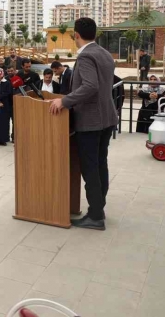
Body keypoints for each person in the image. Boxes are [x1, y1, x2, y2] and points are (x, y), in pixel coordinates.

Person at [50, 17, 118, 231]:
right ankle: (99, 207)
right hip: (106, 118)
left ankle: (95, 215)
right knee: (100, 165)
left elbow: (90, 86)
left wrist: (64, 101)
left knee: (90, 168)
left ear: (75, 35)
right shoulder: (104, 53)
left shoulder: (87, 55)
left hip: (91, 121)